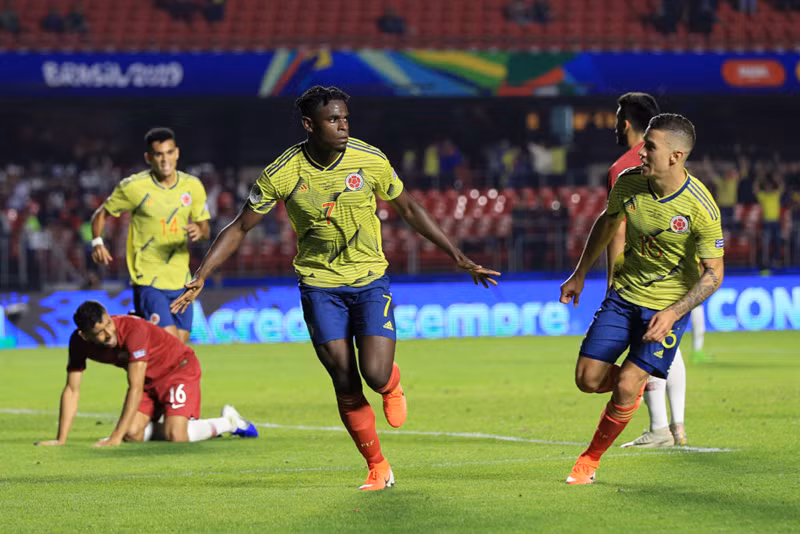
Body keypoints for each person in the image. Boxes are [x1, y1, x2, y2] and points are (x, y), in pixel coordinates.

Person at [170, 85, 500, 490]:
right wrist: (203, 273)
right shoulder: (283, 172)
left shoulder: (370, 159)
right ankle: (377, 466)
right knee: (344, 382)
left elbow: (410, 209)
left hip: (369, 279)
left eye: (345, 118)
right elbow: (240, 227)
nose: (343, 126)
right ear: (310, 125)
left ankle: (390, 383)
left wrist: (457, 256)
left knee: (374, 373)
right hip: (319, 286)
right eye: (332, 120)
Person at [560, 113, 724, 484]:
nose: (641, 152)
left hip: (666, 308)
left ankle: (589, 460)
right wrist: (580, 273)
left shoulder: (700, 207)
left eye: (649, 146)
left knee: (626, 383)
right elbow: (607, 222)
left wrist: (675, 312)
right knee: (587, 379)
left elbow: (714, 273)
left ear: (675, 156)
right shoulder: (628, 182)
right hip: (624, 296)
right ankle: (633, 387)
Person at [35, 300, 258, 447]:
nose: (109, 334)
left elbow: (135, 387)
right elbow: (72, 389)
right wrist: (61, 439)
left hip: (178, 370)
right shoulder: (78, 343)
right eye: (100, 333)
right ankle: (177, 421)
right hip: (149, 382)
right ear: (85, 336)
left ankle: (229, 422)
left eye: (108, 324)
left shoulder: (133, 331)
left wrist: (114, 438)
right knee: (132, 433)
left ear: (109, 316)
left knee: (176, 436)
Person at [607, 93, 688, 449]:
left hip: (644, 272)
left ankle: (658, 429)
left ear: (626, 123)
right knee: (669, 341)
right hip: (678, 266)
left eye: (617, 120)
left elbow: (617, 228)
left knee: (644, 345)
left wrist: (613, 280)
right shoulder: (673, 159)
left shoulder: (623, 168)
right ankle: (677, 426)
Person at [90, 127, 210, 344]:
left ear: (177, 153)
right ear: (148, 158)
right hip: (148, 279)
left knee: (178, 348)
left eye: (169, 152)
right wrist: (98, 242)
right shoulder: (133, 187)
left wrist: (199, 231)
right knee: (169, 344)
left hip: (182, 280)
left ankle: (136, 356)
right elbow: (101, 214)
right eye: (158, 154)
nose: (165, 160)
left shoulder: (192, 186)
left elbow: (205, 230)